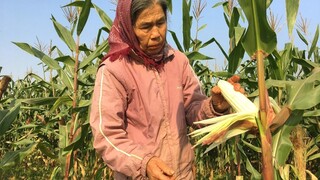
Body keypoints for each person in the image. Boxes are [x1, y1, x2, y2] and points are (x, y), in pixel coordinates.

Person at [89, 0, 242, 179]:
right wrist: (144, 163)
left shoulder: (178, 61)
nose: (156, 34)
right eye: (145, 27)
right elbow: (106, 136)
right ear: (129, 28)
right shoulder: (114, 70)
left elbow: (193, 110)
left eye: (160, 23)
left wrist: (216, 107)